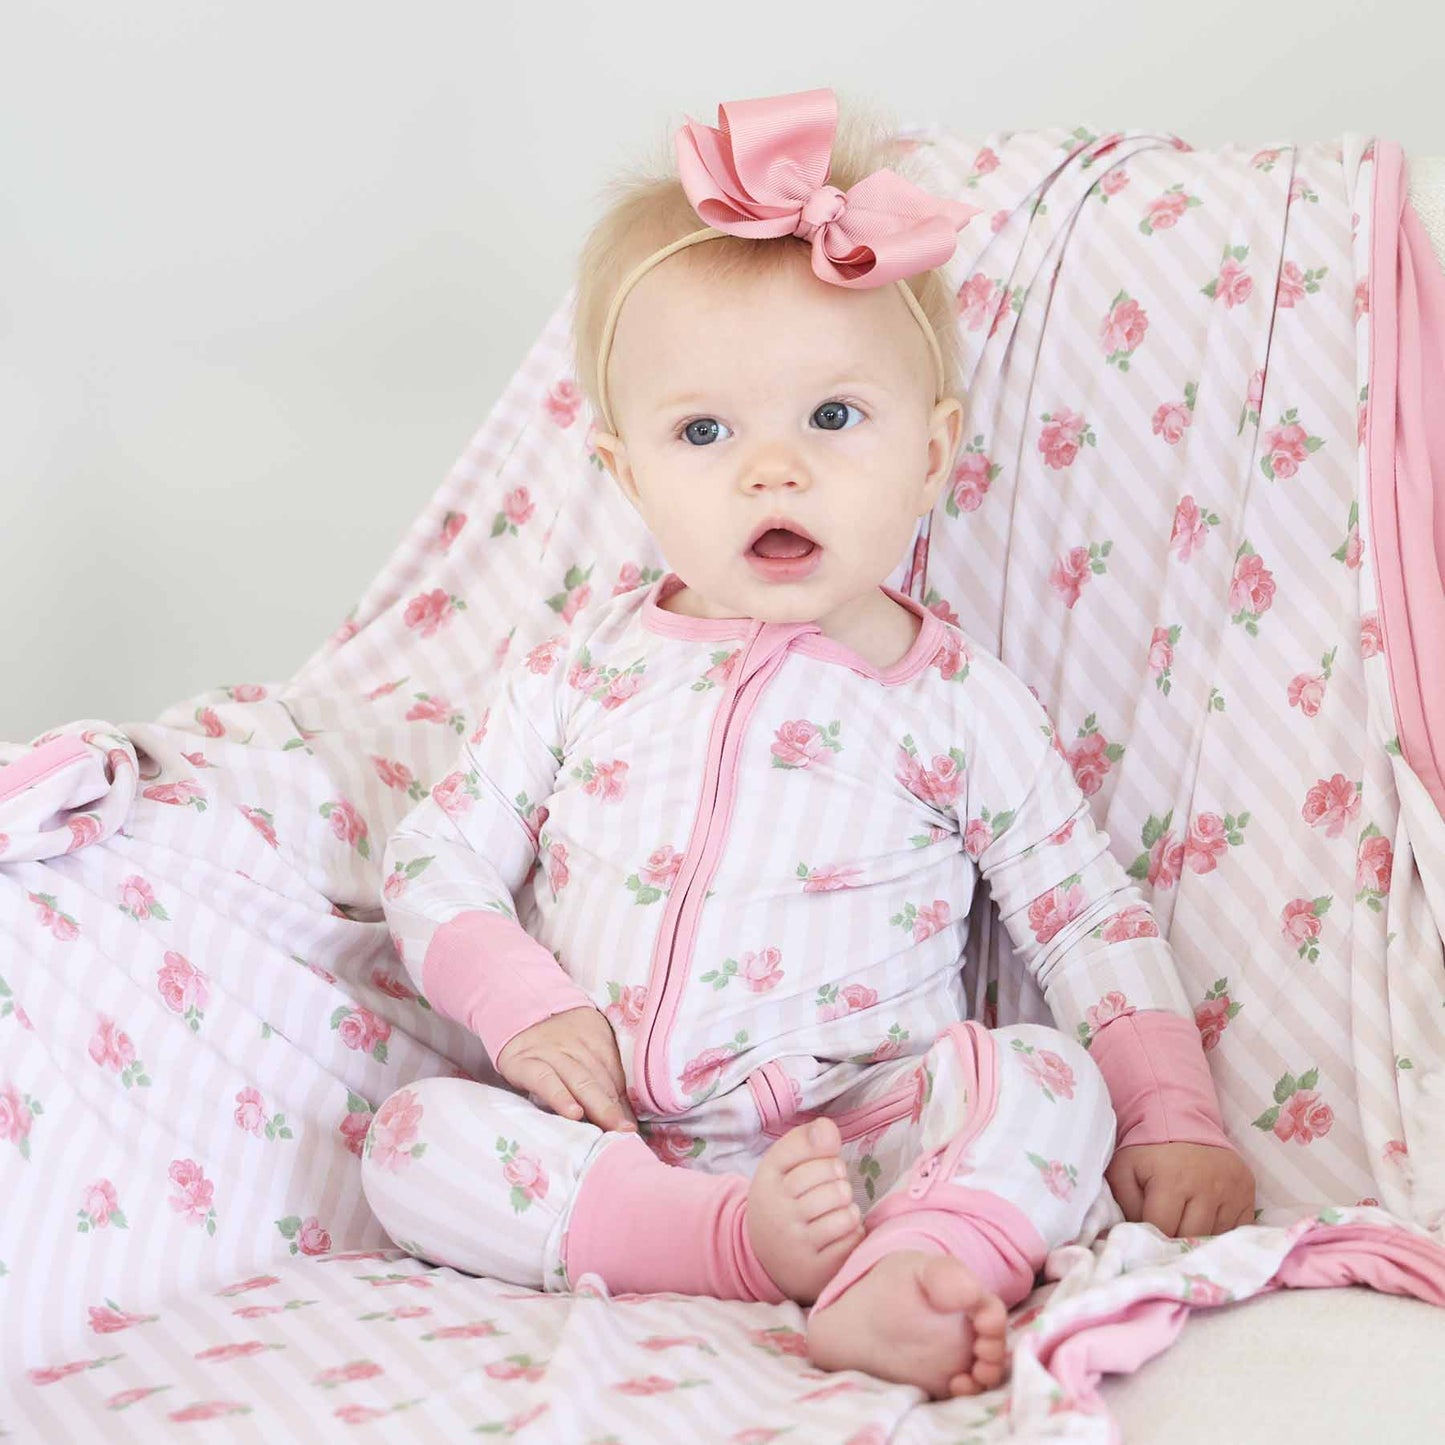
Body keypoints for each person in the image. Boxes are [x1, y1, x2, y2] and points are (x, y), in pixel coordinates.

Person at [361, 86, 1255, 1400]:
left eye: (832, 418)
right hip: (615, 1143)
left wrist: (1172, 1115)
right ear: (625, 472)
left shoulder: (954, 701)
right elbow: (438, 857)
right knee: (408, 1139)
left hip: (869, 1136)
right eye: (703, 431)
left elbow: (1080, 913)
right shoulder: (578, 666)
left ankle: (913, 1263)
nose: (770, 470)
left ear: (932, 453)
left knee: (1043, 1080)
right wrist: (522, 1001)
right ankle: (729, 1244)